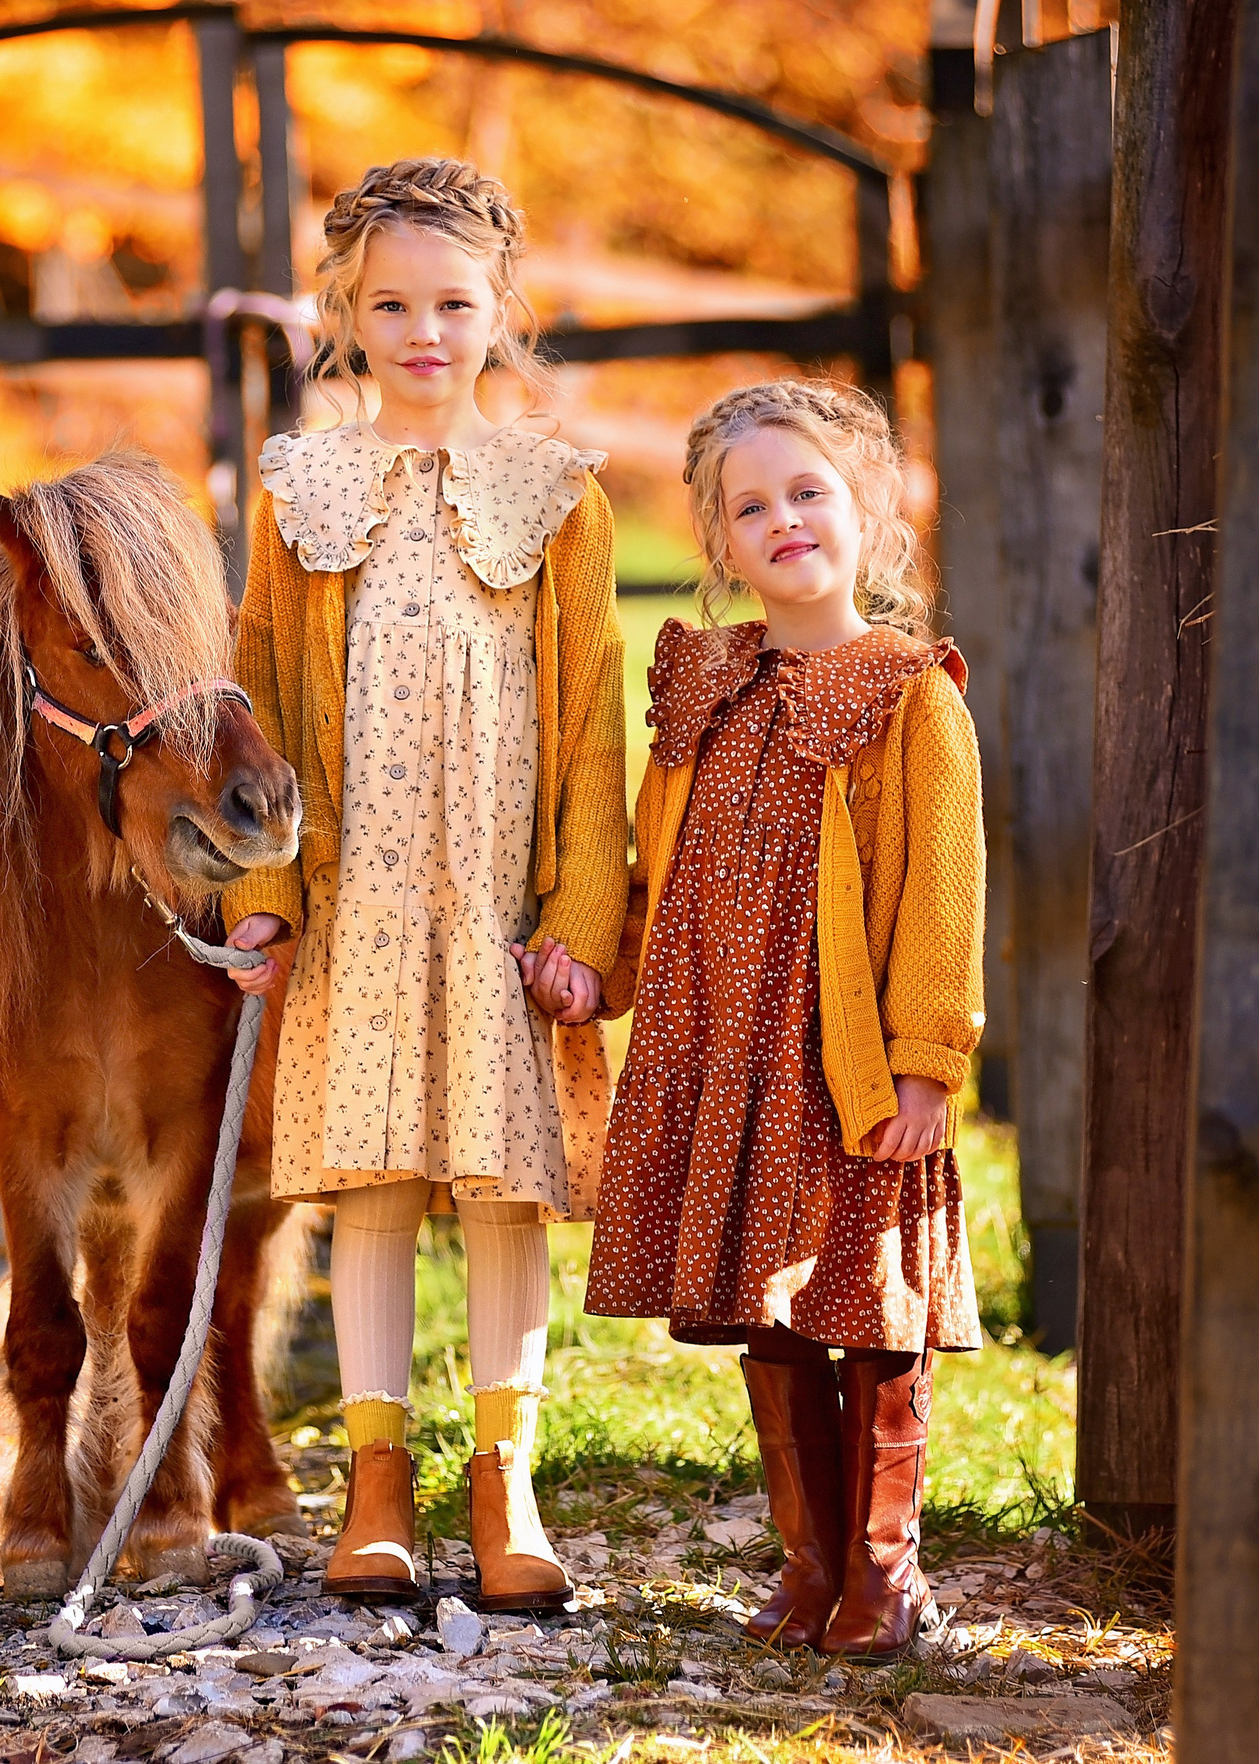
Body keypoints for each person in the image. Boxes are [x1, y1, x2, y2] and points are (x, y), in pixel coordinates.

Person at [219, 158, 628, 1614]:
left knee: (506, 1188)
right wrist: (258, 892)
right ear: (345, 312)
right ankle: (377, 1483)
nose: (423, 332)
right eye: (389, 304)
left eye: (454, 303)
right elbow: (259, 689)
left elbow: (592, 720)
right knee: (377, 1179)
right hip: (360, 905)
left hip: (499, 907)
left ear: (502, 310)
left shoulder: (556, 494)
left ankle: (506, 1479)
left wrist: (582, 919)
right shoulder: (300, 489)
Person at [582, 379, 985, 1658]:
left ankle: (883, 1573)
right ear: (719, 545)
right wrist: (608, 968)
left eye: (809, 492)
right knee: (770, 1299)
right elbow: (661, 863)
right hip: (725, 1053)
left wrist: (924, 1060)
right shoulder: (707, 688)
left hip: (844, 1064)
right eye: (749, 507)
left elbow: (943, 895)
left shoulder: (910, 694)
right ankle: (806, 1563)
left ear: (869, 508)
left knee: (866, 1298)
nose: (784, 520)